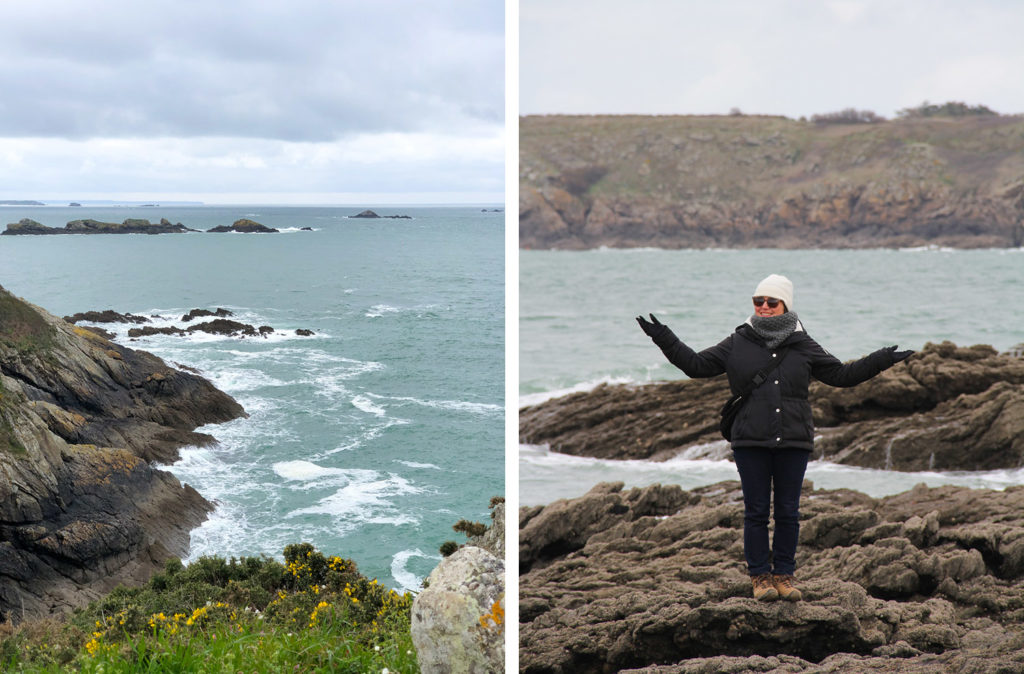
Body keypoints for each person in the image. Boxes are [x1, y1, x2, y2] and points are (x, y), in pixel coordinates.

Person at [636, 274, 913, 602]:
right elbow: (695, 366)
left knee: (788, 512)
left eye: (771, 302)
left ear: (785, 305)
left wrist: (880, 359)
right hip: (750, 441)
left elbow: (841, 376)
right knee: (755, 512)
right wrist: (664, 337)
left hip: (793, 440)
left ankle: (783, 576)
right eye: (758, 302)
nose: (764, 307)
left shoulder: (803, 345)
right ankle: (759, 578)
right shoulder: (737, 342)